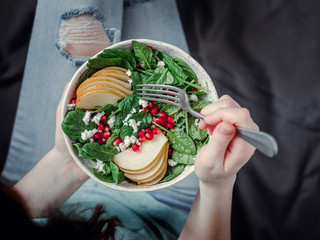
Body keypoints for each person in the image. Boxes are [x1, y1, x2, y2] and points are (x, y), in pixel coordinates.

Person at [1, 82, 258, 239]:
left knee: (84, 19)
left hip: (59, 180)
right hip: (170, 201)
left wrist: (67, 161)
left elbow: (17, 213)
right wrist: (216, 184)